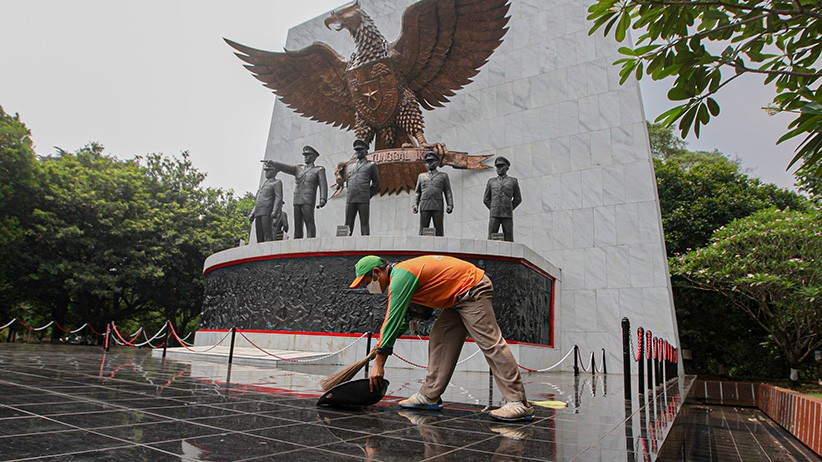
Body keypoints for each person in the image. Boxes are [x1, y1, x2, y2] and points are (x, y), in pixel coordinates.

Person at [349, 254, 533, 422]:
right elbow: (404, 319)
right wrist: (382, 344)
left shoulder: (400, 277)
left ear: (376, 272)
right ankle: (430, 395)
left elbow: (392, 318)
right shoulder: (403, 275)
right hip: (457, 298)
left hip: (473, 289)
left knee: (490, 342)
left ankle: (518, 402)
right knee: (440, 336)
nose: (368, 288)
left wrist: (379, 363)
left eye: (366, 282)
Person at [269, 146, 328, 238]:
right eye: (305, 155)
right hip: (297, 199)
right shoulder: (298, 168)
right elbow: (286, 168)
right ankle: (297, 242)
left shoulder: (319, 170)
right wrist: (274, 164)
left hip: (308, 199)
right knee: (297, 224)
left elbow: (323, 184)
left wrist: (323, 199)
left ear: (313, 157)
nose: (305, 157)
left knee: (309, 222)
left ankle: (310, 241)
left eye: (308, 155)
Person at [344, 139, 381, 236]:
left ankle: (365, 246)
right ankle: (344, 245)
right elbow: (348, 183)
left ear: (366, 151)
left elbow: (376, 183)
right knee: (348, 224)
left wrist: (368, 194)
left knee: (364, 223)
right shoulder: (349, 167)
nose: (358, 152)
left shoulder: (371, 165)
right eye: (356, 150)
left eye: (360, 150)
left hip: (363, 198)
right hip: (351, 198)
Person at [412, 152, 453, 236]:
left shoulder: (443, 176)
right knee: (423, 229)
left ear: (437, 163)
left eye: (432, 161)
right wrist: (415, 204)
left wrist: (450, 205)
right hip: (424, 205)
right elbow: (417, 192)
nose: (429, 163)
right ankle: (421, 248)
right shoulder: (421, 176)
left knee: (439, 229)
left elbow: (448, 191)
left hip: (437, 206)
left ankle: (440, 248)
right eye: (427, 161)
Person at [483, 156, 522, 242]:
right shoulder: (491, 182)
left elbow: (518, 199)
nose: (499, 168)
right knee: (491, 237)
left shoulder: (513, 181)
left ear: (507, 167)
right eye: (497, 167)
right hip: (494, 214)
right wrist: (494, 208)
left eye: (501, 166)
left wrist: (509, 208)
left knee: (509, 238)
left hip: (507, 214)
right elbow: (486, 199)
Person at [249, 161, 284, 243]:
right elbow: (257, 201)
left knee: (267, 233)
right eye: (266, 171)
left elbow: (278, 197)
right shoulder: (263, 184)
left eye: (269, 171)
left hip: (267, 210)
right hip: (258, 211)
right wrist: (252, 213)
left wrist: (275, 211)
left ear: (274, 172)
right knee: (259, 234)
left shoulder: (276, 182)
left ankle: (269, 249)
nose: (266, 173)